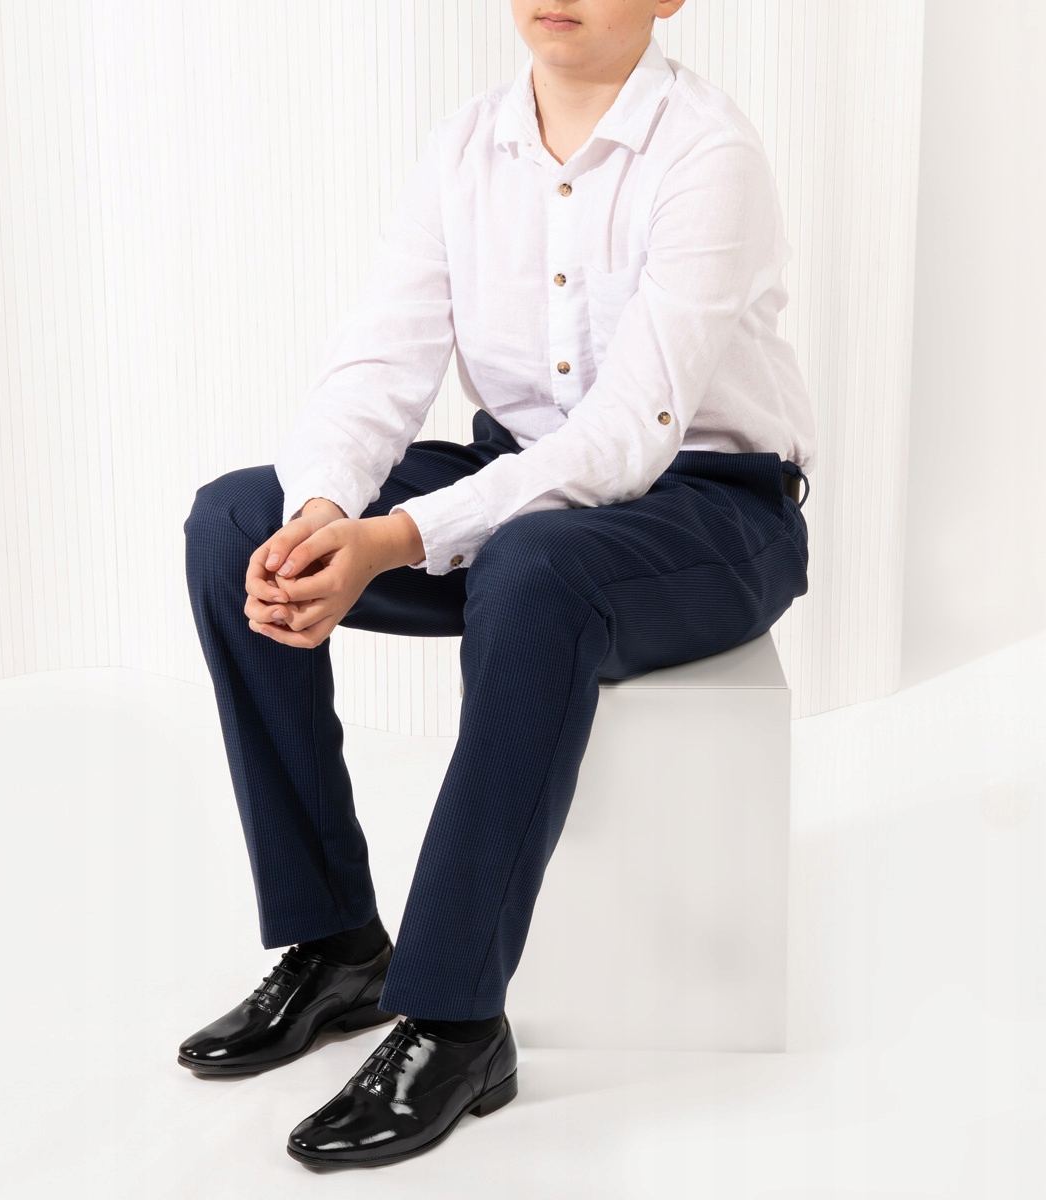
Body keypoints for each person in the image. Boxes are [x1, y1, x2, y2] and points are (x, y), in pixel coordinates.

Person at [179, 0, 816, 1171]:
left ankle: (456, 1020)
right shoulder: (464, 148)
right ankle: (336, 946)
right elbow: (379, 365)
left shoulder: (708, 154)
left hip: (711, 506)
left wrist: (396, 537)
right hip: (517, 477)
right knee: (237, 526)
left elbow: (626, 436)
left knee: (533, 567)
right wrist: (324, 516)